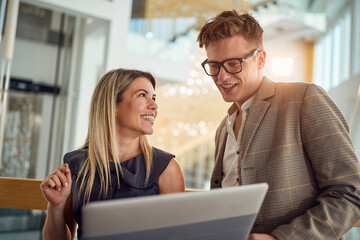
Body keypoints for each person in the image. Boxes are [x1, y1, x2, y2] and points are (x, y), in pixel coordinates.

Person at [197, 10, 360, 240]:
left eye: (233, 64)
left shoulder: (304, 99)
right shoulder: (223, 128)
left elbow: (350, 193)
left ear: (261, 59)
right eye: (214, 65)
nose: (222, 77)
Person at [40, 68, 185, 240]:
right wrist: (55, 207)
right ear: (112, 106)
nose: (154, 106)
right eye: (142, 96)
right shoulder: (75, 163)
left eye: (153, 98)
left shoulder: (167, 169)